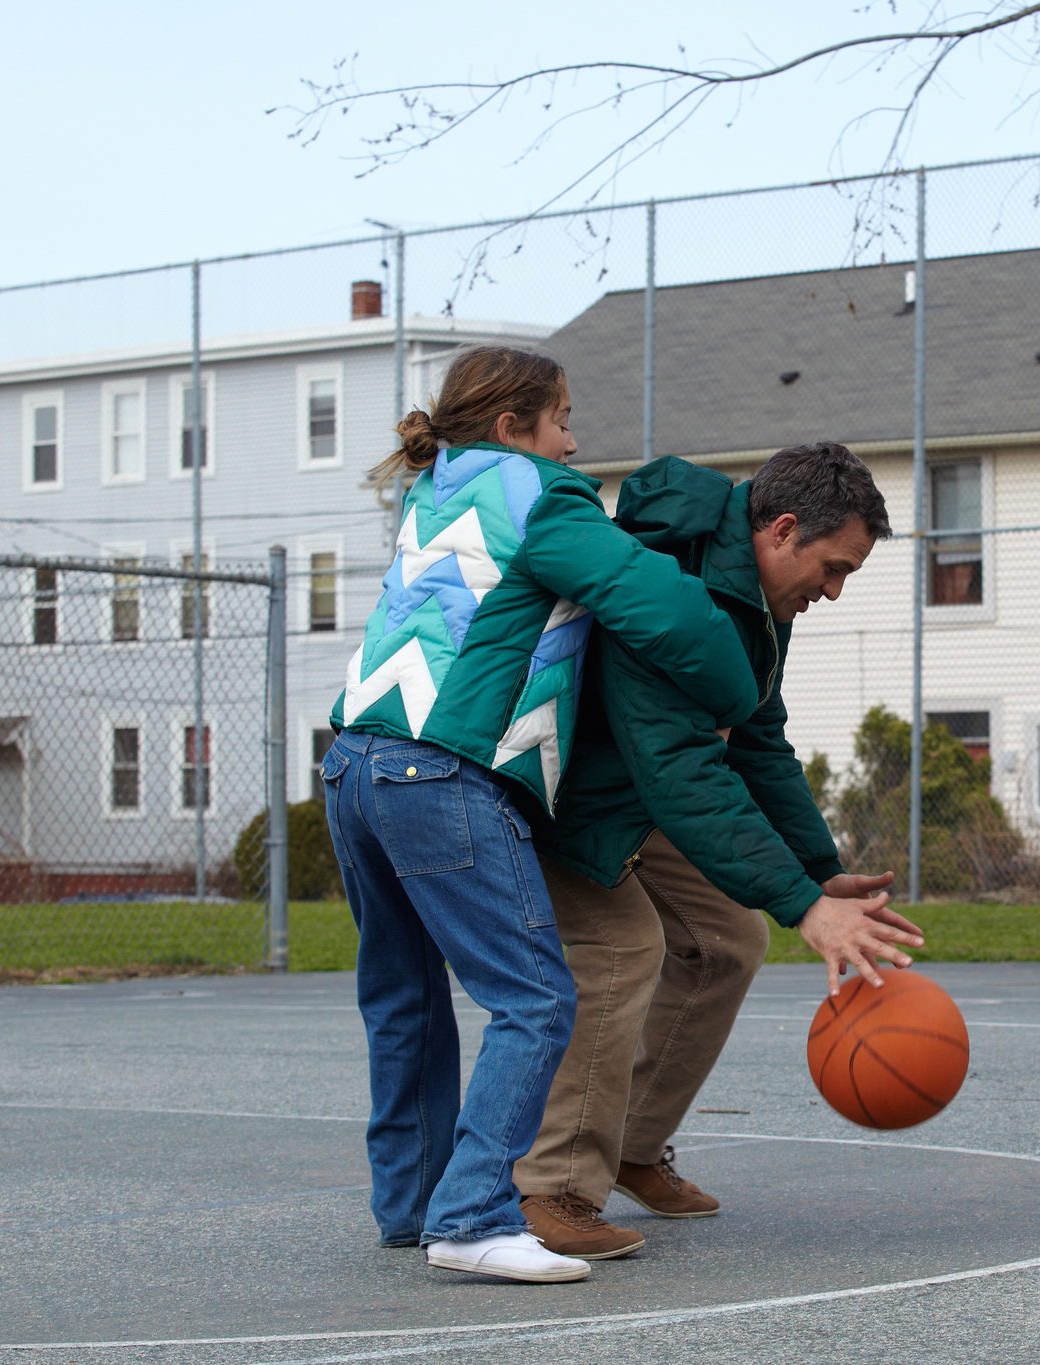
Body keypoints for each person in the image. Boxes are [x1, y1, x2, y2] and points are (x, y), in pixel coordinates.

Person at [318, 347, 759, 1283]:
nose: (574, 438)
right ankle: (476, 1213)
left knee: (405, 999)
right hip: (440, 773)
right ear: (516, 428)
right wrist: (736, 688)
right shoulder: (544, 497)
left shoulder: (434, 491)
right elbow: (660, 605)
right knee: (537, 994)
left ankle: (413, 1204)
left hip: (354, 760)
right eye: (563, 418)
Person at [512, 444, 921, 1260]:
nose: (834, 592)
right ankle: (552, 1187)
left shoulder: (762, 597)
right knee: (625, 948)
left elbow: (758, 737)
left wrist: (817, 868)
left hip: (642, 786)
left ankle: (632, 1142)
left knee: (728, 937)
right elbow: (683, 771)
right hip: (568, 792)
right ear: (782, 528)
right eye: (833, 568)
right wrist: (806, 907)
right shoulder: (676, 574)